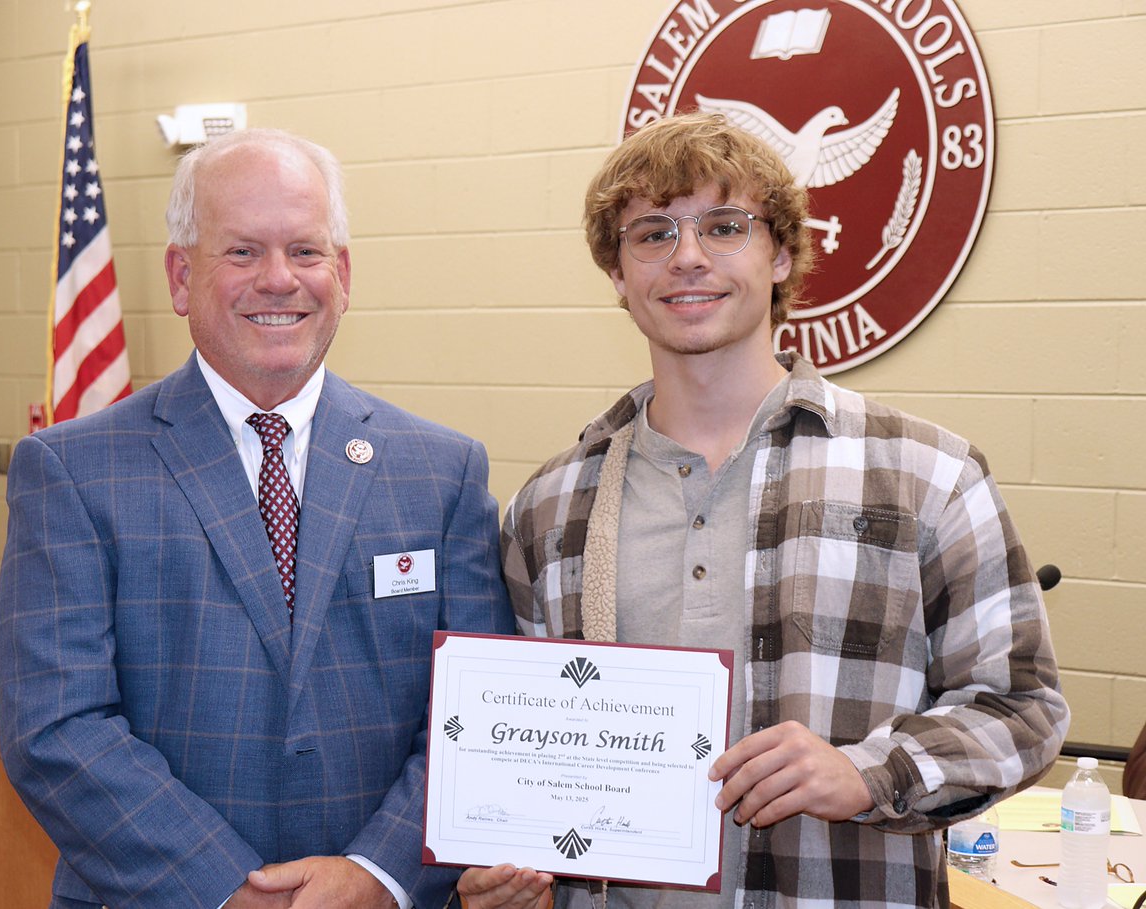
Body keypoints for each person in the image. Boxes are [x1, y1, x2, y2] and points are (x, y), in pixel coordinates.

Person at [457, 112, 1069, 909]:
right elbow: (525, 762)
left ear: (780, 253)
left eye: (724, 226)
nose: (687, 257)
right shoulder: (549, 507)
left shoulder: (928, 475)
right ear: (617, 273)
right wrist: (514, 877)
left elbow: (1023, 708)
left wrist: (868, 771)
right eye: (651, 234)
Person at [0, 128, 513, 909]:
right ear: (180, 275)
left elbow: (478, 712)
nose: (279, 280)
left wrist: (377, 875)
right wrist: (226, 890)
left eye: (306, 251)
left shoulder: (443, 472)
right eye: (241, 252)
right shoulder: (71, 471)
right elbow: (58, 731)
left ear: (342, 273)